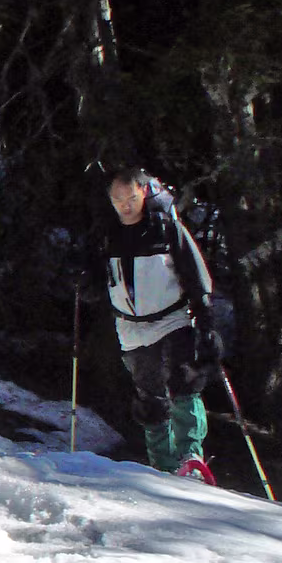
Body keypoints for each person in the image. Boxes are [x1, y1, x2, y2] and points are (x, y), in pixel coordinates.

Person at [92, 167, 220, 480]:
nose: (125, 205)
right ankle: (163, 465)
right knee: (148, 394)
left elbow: (194, 271)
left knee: (183, 379)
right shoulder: (107, 234)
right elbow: (99, 274)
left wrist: (204, 318)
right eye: (118, 200)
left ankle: (191, 455)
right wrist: (88, 281)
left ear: (144, 192)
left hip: (172, 317)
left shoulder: (166, 228)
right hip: (131, 326)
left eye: (131, 198)